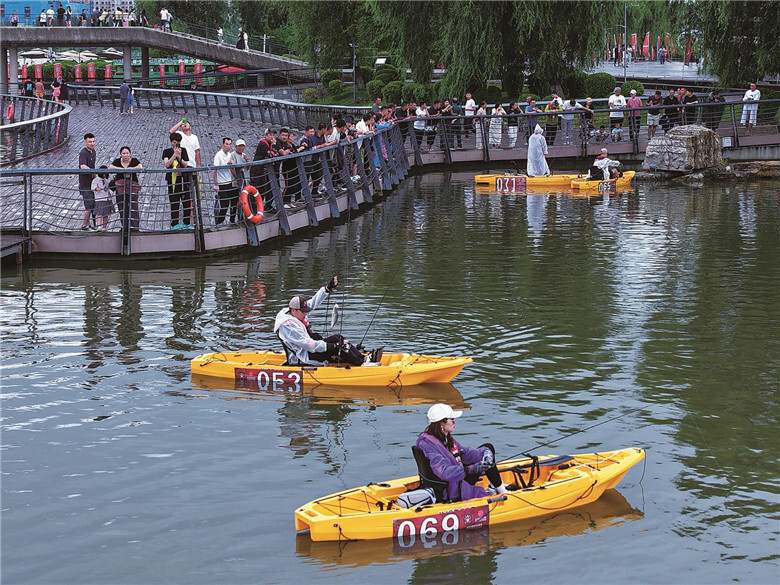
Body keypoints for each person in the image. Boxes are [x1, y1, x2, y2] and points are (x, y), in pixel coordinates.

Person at [273, 277, 380, 367]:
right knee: (336, 343)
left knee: (338, 337)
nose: (305, 314)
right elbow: (308, 344)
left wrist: (327, 289)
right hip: (304, 356)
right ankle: (361, 364)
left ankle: (364, 358)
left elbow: (312, 303)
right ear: (293, 310)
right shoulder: (288, 326)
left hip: (310, 350)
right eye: (303, 312)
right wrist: (333, 346)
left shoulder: (294, 312)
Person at [415, 403, 509, 502]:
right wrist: (469, 469)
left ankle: (496, 487)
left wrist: (485, 453)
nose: (454, 422)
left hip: (455, 478)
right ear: (441, 423)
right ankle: (502, 492)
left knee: (488, 447)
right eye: (452, 419)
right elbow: (444, 472)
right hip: (450, 488)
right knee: (484, 453)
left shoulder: (443, 438)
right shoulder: (430, 445)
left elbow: (463, 453)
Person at [162, 132, 192, 230]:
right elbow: (167, 164)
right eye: (174, 142)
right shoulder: (166, 151)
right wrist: (174, 155)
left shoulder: (184, 150)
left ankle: (186, 223)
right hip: (172, 180)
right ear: (171, 142)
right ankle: (174, 224)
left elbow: (185, 164)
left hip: (183, 180)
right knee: (174, 202)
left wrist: (179, 157)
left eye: (178, 142)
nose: (176, 144)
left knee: (186, 202)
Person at [108, 146, 143, 230]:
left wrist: (131, 169)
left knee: (134, 206)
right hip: (120, 187)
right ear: (121, 154)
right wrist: (121, 169)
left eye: (127, 153)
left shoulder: (134, 160)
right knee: (122, 207)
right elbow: (110, 167)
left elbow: (140, 167)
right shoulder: (117, 161)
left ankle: (135, 227)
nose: (125, 155)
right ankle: (125, 227)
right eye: (123, 153)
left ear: (130, 154)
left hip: (132, 186)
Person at [213, 137, 239, 225]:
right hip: (222, 183)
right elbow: (215, 170)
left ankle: (232, 220)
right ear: (223, 145)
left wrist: (237, 177)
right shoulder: (218, 155)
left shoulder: (230, 155)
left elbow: (231, 169)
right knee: (224, 204)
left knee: (234, 201)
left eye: (229, 144)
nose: (228, 146)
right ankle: (219, 222)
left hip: (229, 182)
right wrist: (216, 184)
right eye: (226, 144)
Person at [78, 133, 97, 230]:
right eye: (90, 142)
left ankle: (90, 224)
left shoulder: (93, 152)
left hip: (92, 183)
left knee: (92, 204)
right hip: (85, 183)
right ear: (85, 142)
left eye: (93, 141)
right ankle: (84, 224)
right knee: (89, 204)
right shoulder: (83, 153)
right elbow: (82, 166)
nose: (92, 143)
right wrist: (92, 171)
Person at [91, 166, 114, 231]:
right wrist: (96, 188)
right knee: (99, 214)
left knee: (106, 214)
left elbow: (109, 187)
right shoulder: (95, 180)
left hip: (107, 198)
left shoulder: (106, 180)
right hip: (100, 198)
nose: (105, 175)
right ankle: (99, 226)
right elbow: (93, 187)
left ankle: (104, 227)